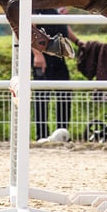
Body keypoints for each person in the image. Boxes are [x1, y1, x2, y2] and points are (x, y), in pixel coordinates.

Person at [31, 8, 81, 141]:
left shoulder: (54, 7)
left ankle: (62, 133)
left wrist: (78, 42)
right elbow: (29, 30)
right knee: (42, 96)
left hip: (58, 55)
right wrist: (38, 55)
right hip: (42, 57)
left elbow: (63, 27)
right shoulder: (35, 5)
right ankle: (41, 135)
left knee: (64, 93)